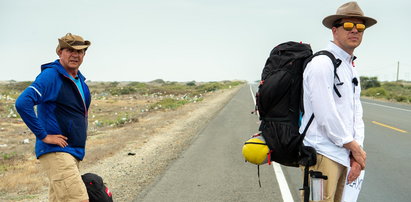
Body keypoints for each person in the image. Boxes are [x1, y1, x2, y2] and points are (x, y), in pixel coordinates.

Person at [299, 2, 377, 201]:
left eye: (360, 27)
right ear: (334, 30)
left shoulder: (349, 65)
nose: (355, 31)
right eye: (349, 25)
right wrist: (354, 148)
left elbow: (355, 113)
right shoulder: (322, 63)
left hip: (344, 155)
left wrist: (356, 152)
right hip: (322, 155)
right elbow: (326, 114)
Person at [15, 33, 91, 202]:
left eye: (79, 51)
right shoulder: (51, 76)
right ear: (59, 52)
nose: (75, 55)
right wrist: (43, 136)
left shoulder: (80, 82)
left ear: (84, 55)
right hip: (58, 152)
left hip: (72, 152)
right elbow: (23, 103)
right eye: (69, 50)